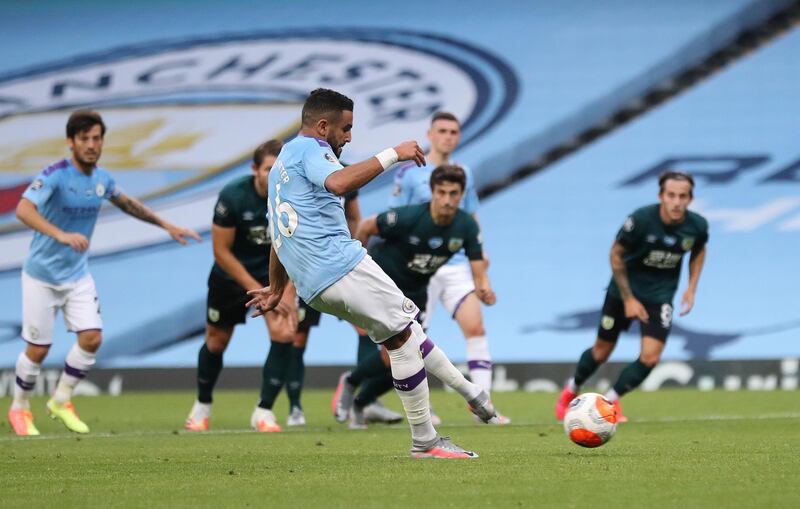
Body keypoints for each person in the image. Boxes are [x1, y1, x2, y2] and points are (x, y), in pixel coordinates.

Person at [247, 88, 495, 458]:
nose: (348, 137)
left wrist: (276, 286)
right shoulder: (312, 151)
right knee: (406, 336)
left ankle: (471, 394)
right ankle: (427, 439)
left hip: (314, 284)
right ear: (322, 125)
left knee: (403, 336)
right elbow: (340, 183)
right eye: (345, 129)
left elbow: (280, 232)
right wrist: (394, 154)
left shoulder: (283, 161)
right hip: (340, 265)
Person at [8, 110, 201, 436]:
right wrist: (60, 234)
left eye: (97, 138)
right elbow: (23, 209)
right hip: (41, 275)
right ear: (71, 142)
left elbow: (128, 204)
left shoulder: (102, 179)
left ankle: (61, 399)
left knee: (92, 337)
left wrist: (166, 225)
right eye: (84, 139)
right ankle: (19, 407)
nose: (92, 145)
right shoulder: (54, 174)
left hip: (76, 274)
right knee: (38, 349)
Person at [333, 164, 498, 429]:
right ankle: (353, 386)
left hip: (416, 293)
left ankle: (358, 395)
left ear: (461, 195)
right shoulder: (408, 217)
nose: (446, 199)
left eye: (453, 193)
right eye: (441, 192)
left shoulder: (465, 226)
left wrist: (484, 287)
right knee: (399, 354)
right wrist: (354, 266)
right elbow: (365, 226)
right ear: (432, 192)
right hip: (386, 285)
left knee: (408, 359)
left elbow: (478, 265)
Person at [555, 171, 709, 422]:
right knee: (602, 352)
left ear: (690, 199)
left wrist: (691, 287)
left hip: (659, 296)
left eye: (683, 196)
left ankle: (610, 401)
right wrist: (628, 299)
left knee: (650, 357)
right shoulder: (640, 220)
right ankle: (571, 389)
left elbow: (699, 250)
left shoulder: (697, 226)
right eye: (671, 195)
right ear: (661, 196)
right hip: (622, 290)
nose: (676, 202)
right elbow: (615, 255)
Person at [389, 112, 509, 424]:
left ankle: (484, 407)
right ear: (429, 133)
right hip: (420, 266)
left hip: (454, 263)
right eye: (442, 130)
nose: (448, 136)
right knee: (415, 336)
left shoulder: (462, 173)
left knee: (476, 327)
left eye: (453, 131)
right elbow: (399, 220)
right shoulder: (409, 172)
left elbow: (471, 219)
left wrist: (481, 260)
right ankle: (422, 408)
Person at [184, 140, 298, 433]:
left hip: (275, 275)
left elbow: (297, 247)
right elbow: (221, 251)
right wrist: (257, 289)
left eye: (279, 170)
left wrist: (283, 290)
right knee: (216, 342)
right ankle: (202, 407)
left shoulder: (294, 196)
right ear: (255, 170)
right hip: (231, 276)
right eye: (269, 169)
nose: (275, 176)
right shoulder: (233, 196)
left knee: (285, 332)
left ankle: (264, 412)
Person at [285, 189, 403, 427]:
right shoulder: (297, 171)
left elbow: (354, 220)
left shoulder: (345, 174)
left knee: (365, 329)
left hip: (339, 266)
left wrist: (355, 259)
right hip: (307, 268)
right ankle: (295, 409)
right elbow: (288, 229)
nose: (339, 148)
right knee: (297, 336)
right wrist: (284, 287)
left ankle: (365, 400)